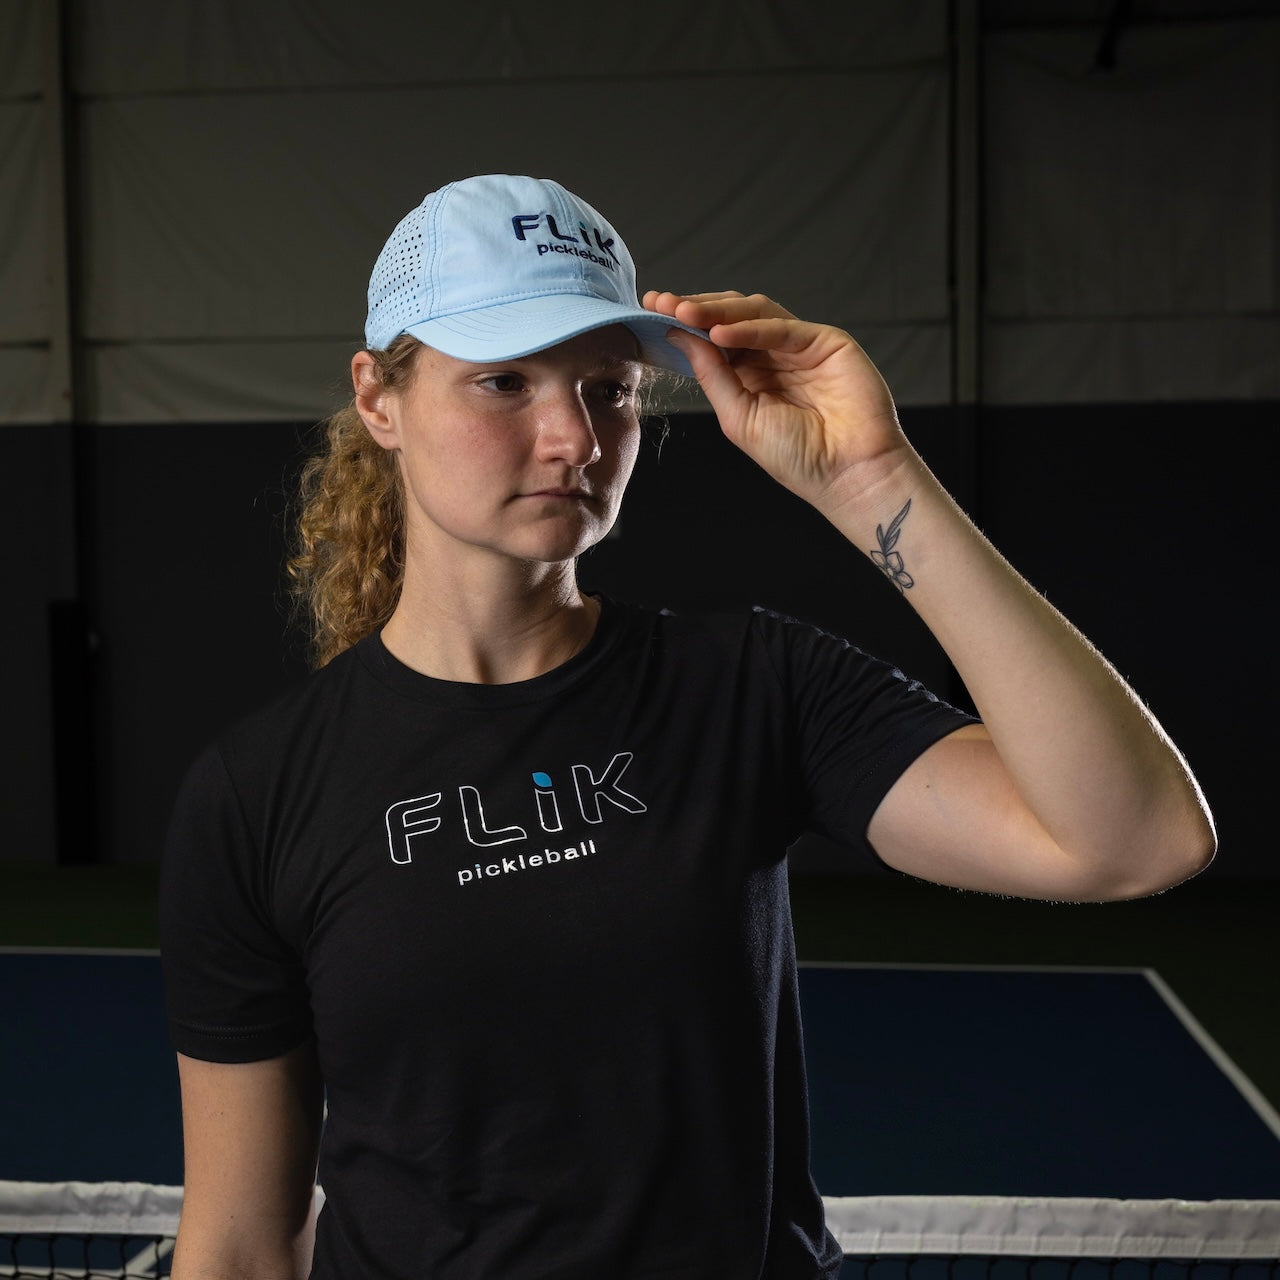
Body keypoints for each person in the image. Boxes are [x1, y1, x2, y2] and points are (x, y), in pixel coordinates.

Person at [160, 174, 1215, 1280]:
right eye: (505, 380)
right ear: (378, 398)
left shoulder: (754, 687)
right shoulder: (257, 793)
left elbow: (1134, 838)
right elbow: (238, 1239)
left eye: (608, 389)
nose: (570, 435)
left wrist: (871, 477)